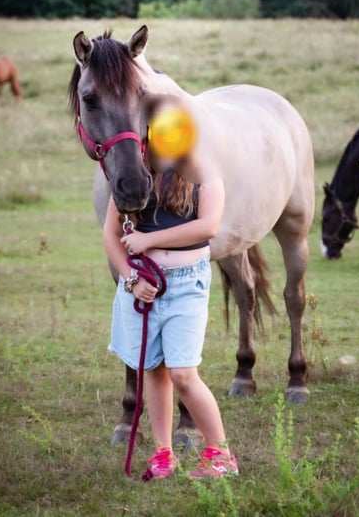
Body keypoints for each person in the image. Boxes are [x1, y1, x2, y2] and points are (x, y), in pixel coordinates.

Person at [103, 152, 238, 480]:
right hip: (141, 281)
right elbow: (110, 234)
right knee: (153, 370)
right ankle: (163, 452)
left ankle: (220, 454)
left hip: (185, 285)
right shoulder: (133, 169)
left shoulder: (204, 168)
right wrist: (132, 280)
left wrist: (148, 239)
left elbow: (208, 226)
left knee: (183, 374)